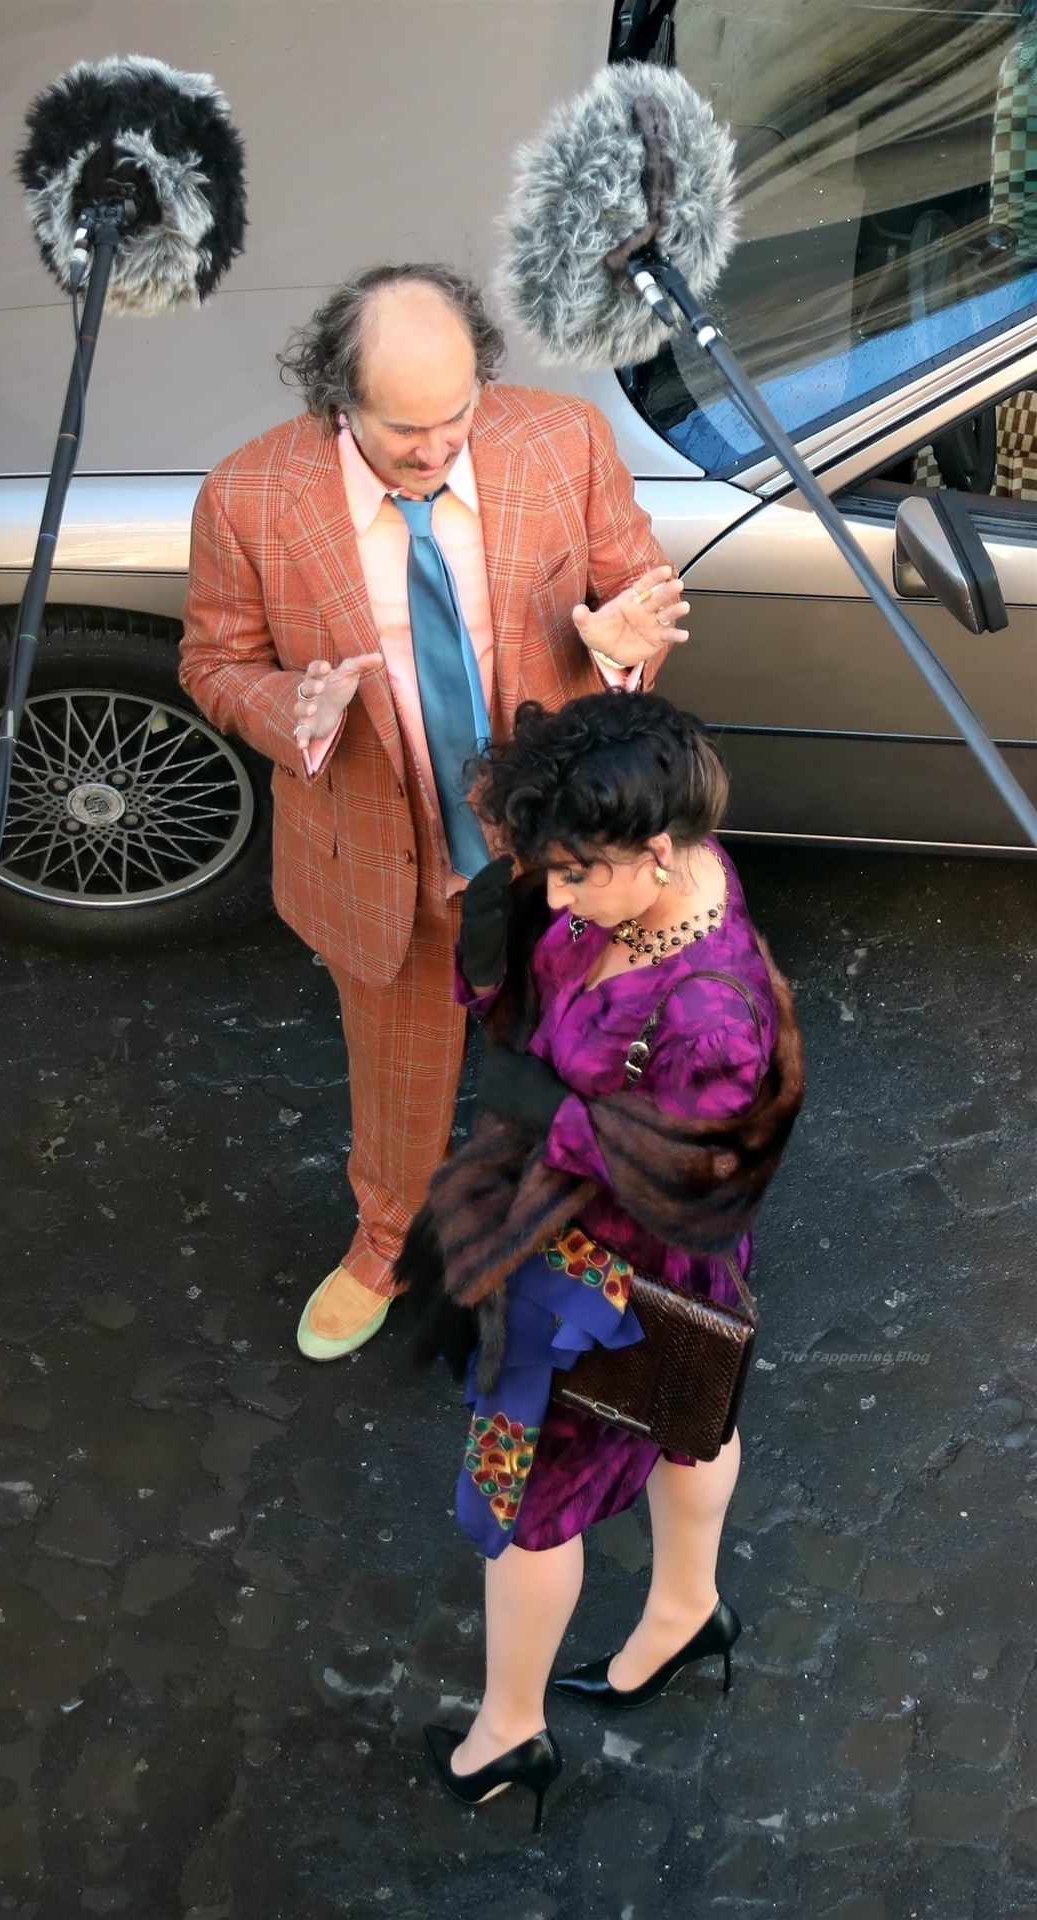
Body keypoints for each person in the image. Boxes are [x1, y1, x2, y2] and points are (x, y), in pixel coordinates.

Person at [179, 263, 689, 1360]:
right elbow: (214, 664)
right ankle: (387, 1239)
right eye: (404, 428)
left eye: (455, 415)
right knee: (398, 1075)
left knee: (582, 1048)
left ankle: (583, 1227)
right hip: (386, 853)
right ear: (337, 399)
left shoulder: (561, 438)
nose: (436, 447)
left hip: (561, 842)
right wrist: (290, 707)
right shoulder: (247, 497)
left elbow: (633, 579)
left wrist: (623, 642)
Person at [400, 691, 804, 1829]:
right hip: (642, 1274)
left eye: (575, 874)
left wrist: (556, 1119)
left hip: (597, 1287)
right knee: (691, 1412)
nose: (558, 893)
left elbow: (698, 1178)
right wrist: (502, 954)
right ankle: (685, 1614)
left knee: (527, 1504)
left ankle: (506, 1737)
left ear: (658, 851)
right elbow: (553, 987)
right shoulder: (662, 870)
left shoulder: (710, 1015)